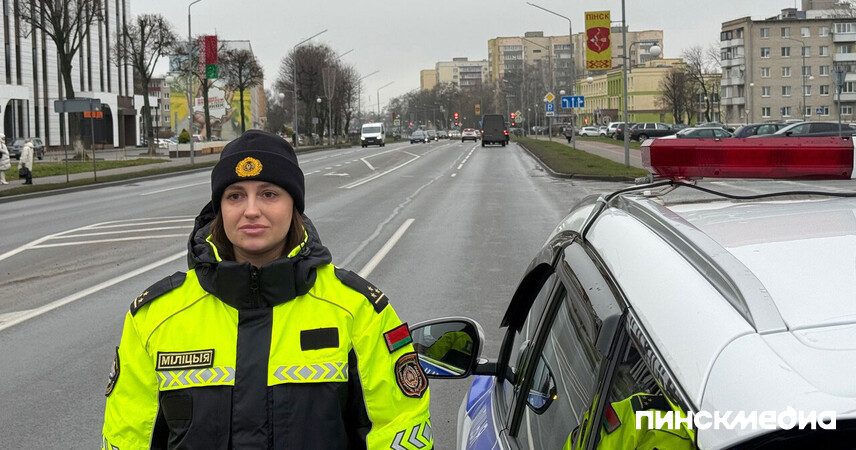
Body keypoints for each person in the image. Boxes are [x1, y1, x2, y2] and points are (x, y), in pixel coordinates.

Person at [101, 130, 432, 449]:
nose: (251, 210)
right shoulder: (155, 318)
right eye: (235, 196)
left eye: (269, 194)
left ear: (293, 205)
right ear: (220, 209)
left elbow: (399, 430)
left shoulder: (359, 312)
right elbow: (126, 439)